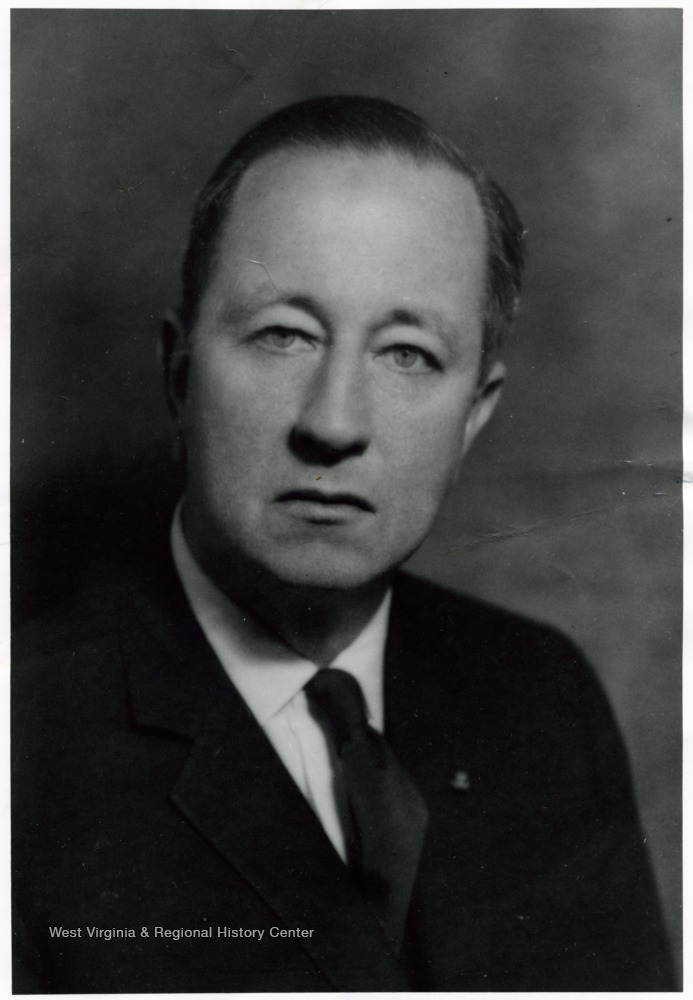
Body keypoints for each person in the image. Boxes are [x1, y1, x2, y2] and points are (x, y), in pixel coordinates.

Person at [12, 95, 675, 992]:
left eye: (406, 354)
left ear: (472, 416)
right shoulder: (28, 743)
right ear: (180, 375)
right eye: (284, 335)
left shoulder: (542, 701)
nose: (333, 423)